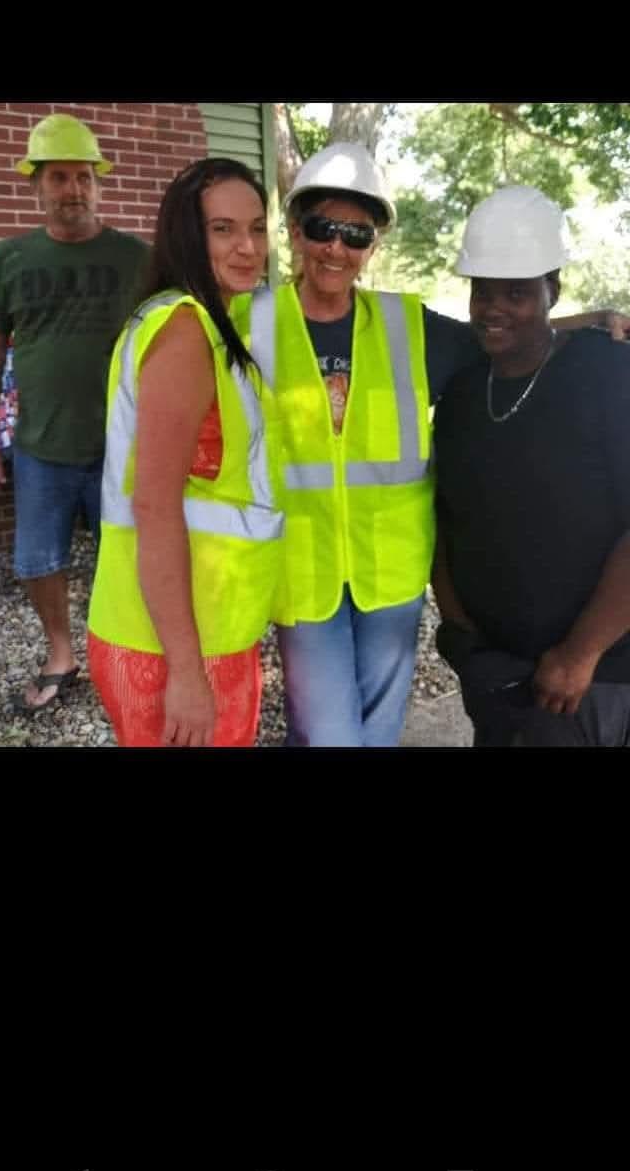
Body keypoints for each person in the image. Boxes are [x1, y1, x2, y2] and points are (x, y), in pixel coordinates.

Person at [233, 144, 630, 747]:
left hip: (388, 577)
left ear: (374, 245)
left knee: (377, 732)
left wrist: (590, 319)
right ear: (294, 230)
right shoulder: (248, 321)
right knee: (330, 736)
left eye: (357, 234)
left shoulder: (404, 325)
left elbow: (501, 330)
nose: (338, 247)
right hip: (301, 573)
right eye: (323, 228)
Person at [86, 158, 283, 748]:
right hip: (172, 647)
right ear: (185, 235)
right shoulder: (184, 332)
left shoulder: (198, 319)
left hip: (198, 631)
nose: (248, 247)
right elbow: (154, 506)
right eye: (222, 229)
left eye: (256, 227)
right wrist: (189, 674)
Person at [432, 184, 630, 746]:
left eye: (516, 293)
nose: (493, 308)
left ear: (553, 290)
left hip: (589, 679)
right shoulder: (465, 392)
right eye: (482, 291)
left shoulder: (607, 373)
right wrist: (463, 637)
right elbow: (445, 520)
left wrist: (580, 652)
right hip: (496, 673)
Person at [0, 114, 151, 712]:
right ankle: (61, 653)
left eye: (83, 176)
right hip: (41, 445)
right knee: (37, 561)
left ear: (99, 183)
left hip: (122, 448)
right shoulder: (10, 260)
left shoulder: (137, 259)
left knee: (126, 557)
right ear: (36, 186)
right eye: (58, 177)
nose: (72, 189)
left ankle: (123, 650)